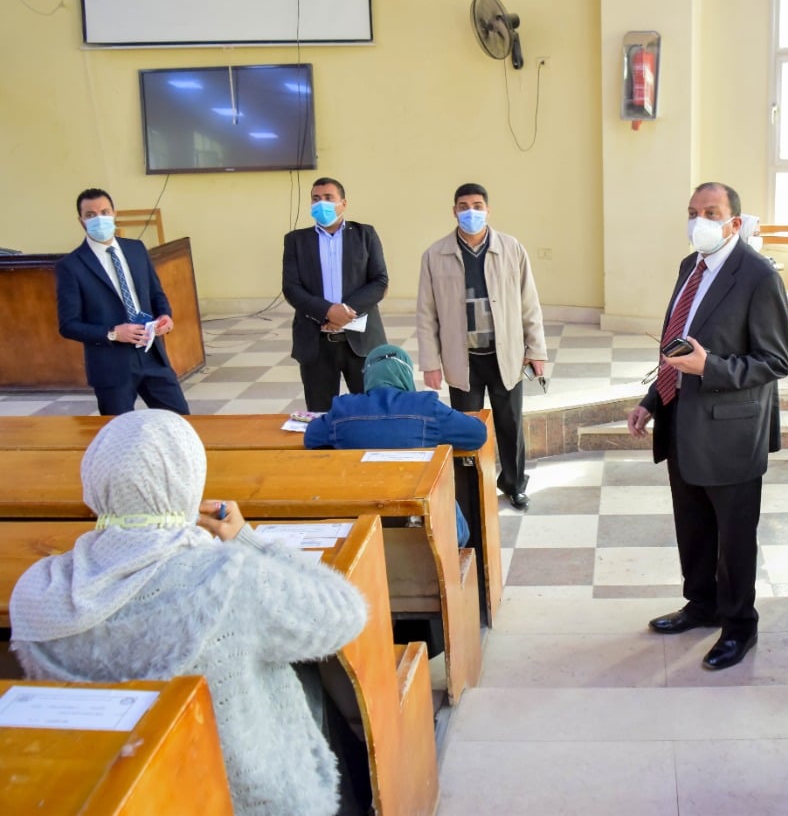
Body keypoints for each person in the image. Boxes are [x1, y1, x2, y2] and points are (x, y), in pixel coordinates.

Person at [8, 410, 369, 816]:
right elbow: (345, 613)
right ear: (188, 477)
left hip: (108, 796)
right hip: (242, 795)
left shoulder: (39, 592)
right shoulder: (229, 579)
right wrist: (245, 540)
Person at [626, 182, 788, 671]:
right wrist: (653, 400)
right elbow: (678, 345)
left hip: (732, 431)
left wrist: (711, 368)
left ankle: (739, 625)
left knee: (734, 536)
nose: (700, 220)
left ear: (734, 223)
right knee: (693, 524)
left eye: (712, 212)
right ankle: (702, 604)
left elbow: (776, 360)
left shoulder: (759, 276)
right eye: (693, 211)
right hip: (683, 419)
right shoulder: (690, 266)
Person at [417, 182, 547, 512]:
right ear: (454, 211)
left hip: (505, 355)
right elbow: (426, 313)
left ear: (488, 210)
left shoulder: (511, 248)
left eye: (477, 206)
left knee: (510, 424)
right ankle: (470, 492)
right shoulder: (435, 255)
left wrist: (536, 350)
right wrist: (430, 362)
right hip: (463, 358)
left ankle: (514, 484)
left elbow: (529, 303)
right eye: (463, 206)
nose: (470, 212)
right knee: (466, 428)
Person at [305, 343, 489, 545]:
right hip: (424, 514)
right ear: (406, 373)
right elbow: (477, 435)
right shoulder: (426, 406)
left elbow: (311, 438)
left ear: (368, 376)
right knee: (455, 523)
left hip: (362, 520)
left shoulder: (344, 409)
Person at [55, 188, 190, 416]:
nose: (99, 219)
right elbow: (68, 325)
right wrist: (113, 333)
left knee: (179, 420)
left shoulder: (136, 249)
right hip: (111, 365)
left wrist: (165, 316)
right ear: (81, 221)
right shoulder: (71, 266)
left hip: (151, 354)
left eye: (104, 212)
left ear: (114, 213)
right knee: (118, 430)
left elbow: (156, 293)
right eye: (90, 215)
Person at [282, 177, 389, 412]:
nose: (321, 204)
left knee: (370, 412)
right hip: (316, 343)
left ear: (343, 203)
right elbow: (291, 288)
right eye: (316, 199)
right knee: (321, 414)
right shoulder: (296, 241)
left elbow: (379, 281)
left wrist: (345, 312)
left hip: (361, 343)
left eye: (328, 198)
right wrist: (327, 312)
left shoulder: (365, 235)